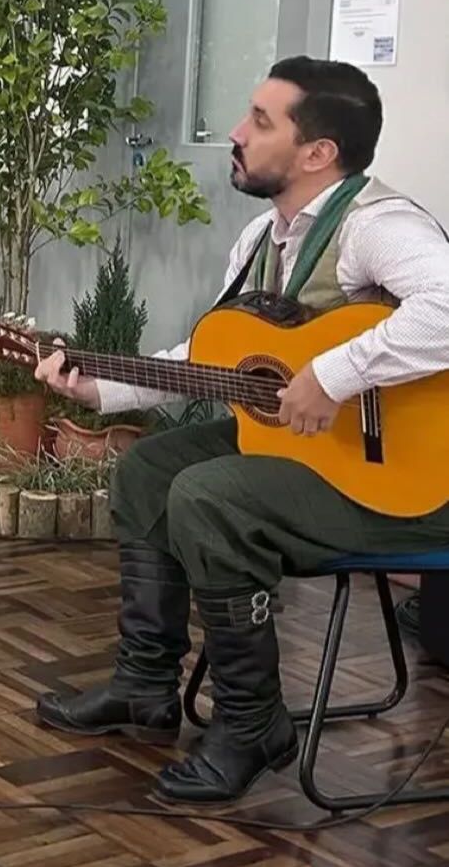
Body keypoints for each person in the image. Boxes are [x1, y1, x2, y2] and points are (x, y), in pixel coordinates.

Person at [32, 57, 449, 804]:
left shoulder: (377, 225)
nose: (235, 132)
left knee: (211, 495)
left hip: (413, 484)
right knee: (147, 471)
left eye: (259, 121)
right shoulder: (263, 236)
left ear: (318, 152)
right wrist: (99, 386)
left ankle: (254, 723)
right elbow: (214, 359)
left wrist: (333, 374)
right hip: (316, 459)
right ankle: (145, 684)